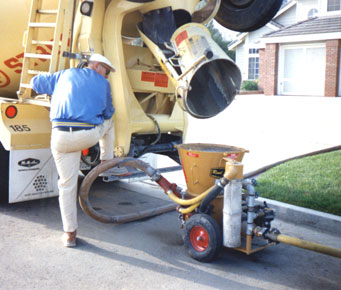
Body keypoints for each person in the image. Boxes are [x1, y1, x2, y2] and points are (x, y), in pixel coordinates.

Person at [31, 53, 117, 247]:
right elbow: (108, 112)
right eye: (106, 71)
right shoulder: (103, 84)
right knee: (111, 121)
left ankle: (69, 234)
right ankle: (106, 161)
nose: (107, 76)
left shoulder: (63, 74)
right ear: (96, 66)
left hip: (60, 138)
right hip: (86, 136)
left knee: (67, 185)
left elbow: (35, 83)